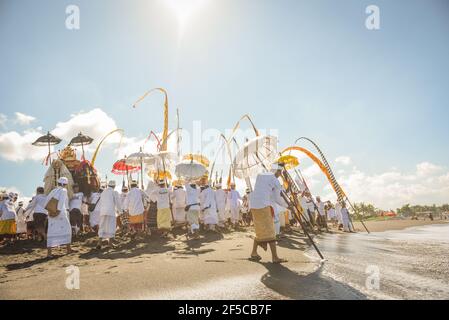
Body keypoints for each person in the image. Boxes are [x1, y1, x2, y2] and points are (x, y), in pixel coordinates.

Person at [249, 163, 288, 264]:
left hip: (253, 204)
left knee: (260, 230)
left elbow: (264, 189)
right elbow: (277, 198)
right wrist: (288, 206)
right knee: (270, 231)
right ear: (277, 171)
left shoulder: (261, 175)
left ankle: (254, 252)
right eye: (280, 172)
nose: (280, 174)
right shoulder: (275, 180)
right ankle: (275, 257)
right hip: (263, 204)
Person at [45, 177, 72, 257]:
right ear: (66, 184)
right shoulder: (64, 190)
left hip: (51, 212)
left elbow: (47, 201)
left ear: (58, 183)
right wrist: (58, 211)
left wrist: (49, 211)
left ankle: (49, 253)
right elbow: (61, 201)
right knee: (67, 228)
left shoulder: (53, 190)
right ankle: (68, 249)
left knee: (52, 231)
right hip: (60, 213)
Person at [97, 180, 121, 249]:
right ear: (114, 186)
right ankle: (110, 244)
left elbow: (100, 203)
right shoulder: (114, 192)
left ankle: (99, 243)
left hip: (102, 212)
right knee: (111, 227)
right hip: (110, 212)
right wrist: (120, 212)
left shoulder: (103, 192)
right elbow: (117, 203)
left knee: (102, 227)